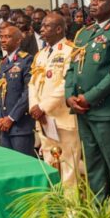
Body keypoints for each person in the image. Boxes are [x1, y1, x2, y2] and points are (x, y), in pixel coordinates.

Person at [65, 0, 110, 199]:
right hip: (82, 110)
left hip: (106, 110)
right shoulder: (84, 33)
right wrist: (69, 97)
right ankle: (100, 215)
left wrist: (89, 97)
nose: (94, 2)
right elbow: (71, 69)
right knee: (93, 164)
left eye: (100, 0)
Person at [30, 13, 81, 185]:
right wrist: (35, 106)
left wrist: (43, 106)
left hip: (62, 117)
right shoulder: (41, 54)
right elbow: (32, 83)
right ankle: (54, 208)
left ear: (59, 29)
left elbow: (67, 84)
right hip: (43, 119)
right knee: (49, 165)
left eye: (46, 26)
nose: (41, 29)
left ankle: (70, 211)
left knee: (68, 168)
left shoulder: (71, 50)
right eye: (42, 25)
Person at [0, 25, 34, 156]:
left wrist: (11, 118)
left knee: (24, 166)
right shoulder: (3, 63)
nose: (3, 40)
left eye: (8, 37)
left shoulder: (26, 60)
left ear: (18, 40)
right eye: (2, 37)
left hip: (20, 125)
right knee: (8, 164)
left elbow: (28, 93)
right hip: (3, 127)